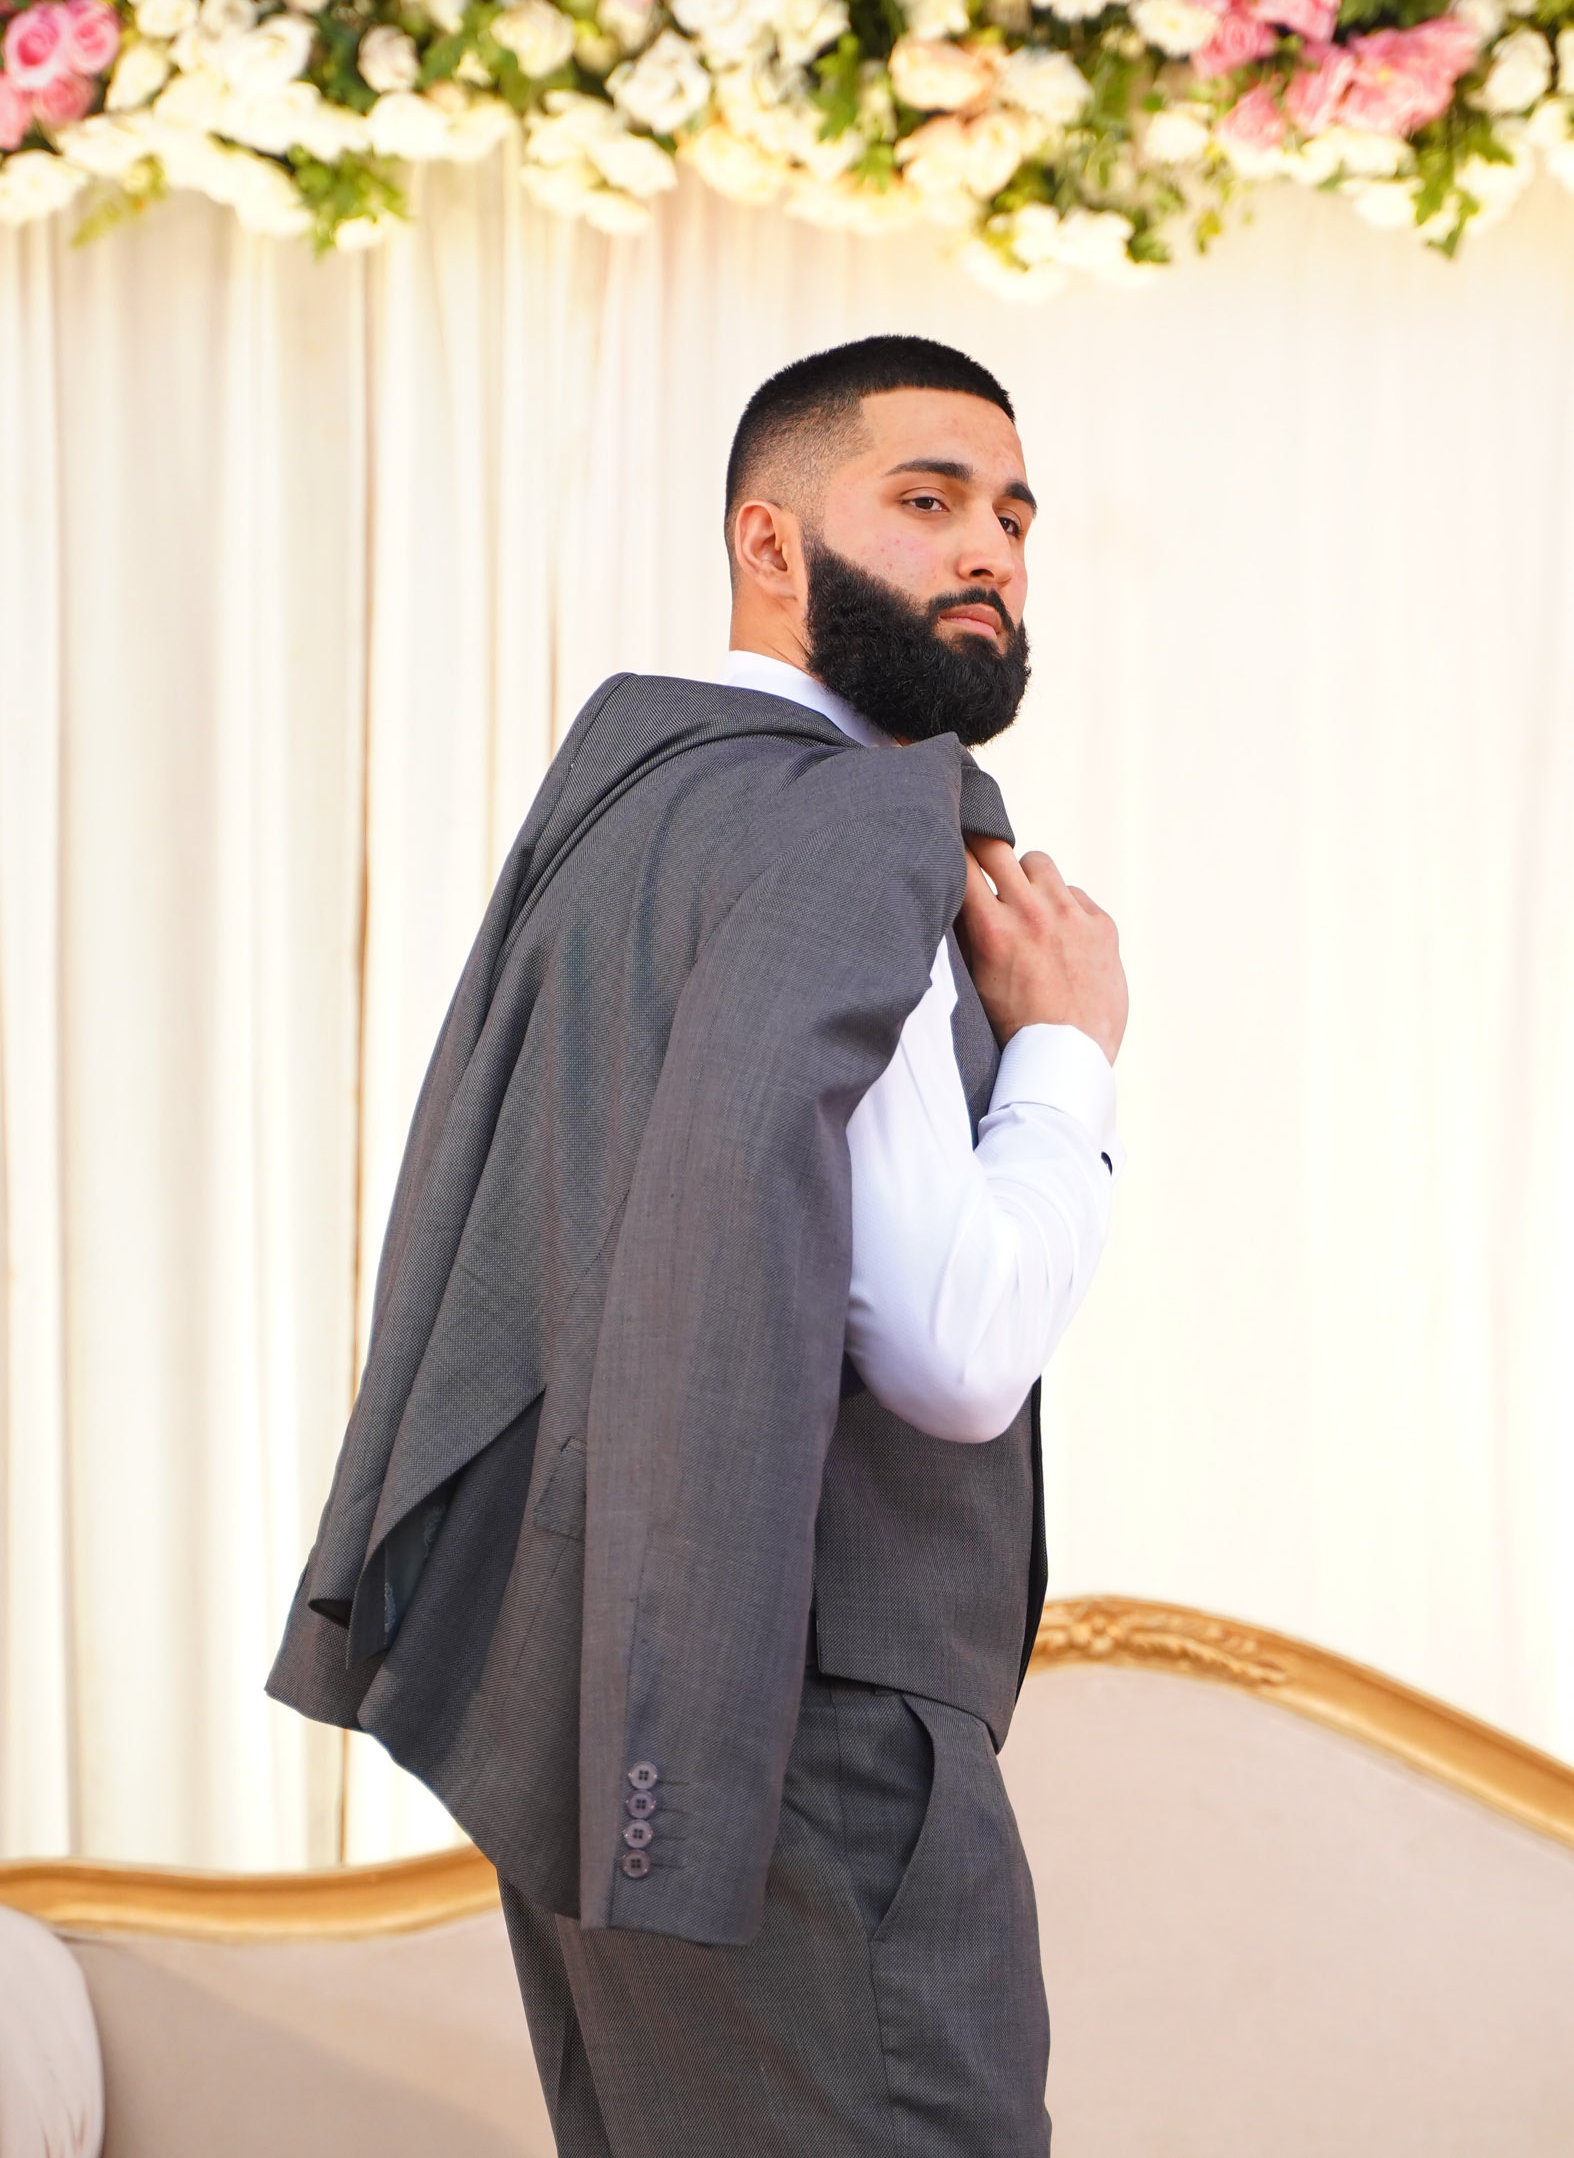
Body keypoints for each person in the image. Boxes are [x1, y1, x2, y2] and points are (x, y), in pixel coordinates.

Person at [268, 334, 1129, 2157]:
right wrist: (1063, 1044)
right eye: (924, 499)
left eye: (1011, 513)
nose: (988, 547)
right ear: (767, 540)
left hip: (600, 1715)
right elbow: (954, 1350)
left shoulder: (627, 816)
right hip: (801, 1737)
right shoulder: (847, 826)